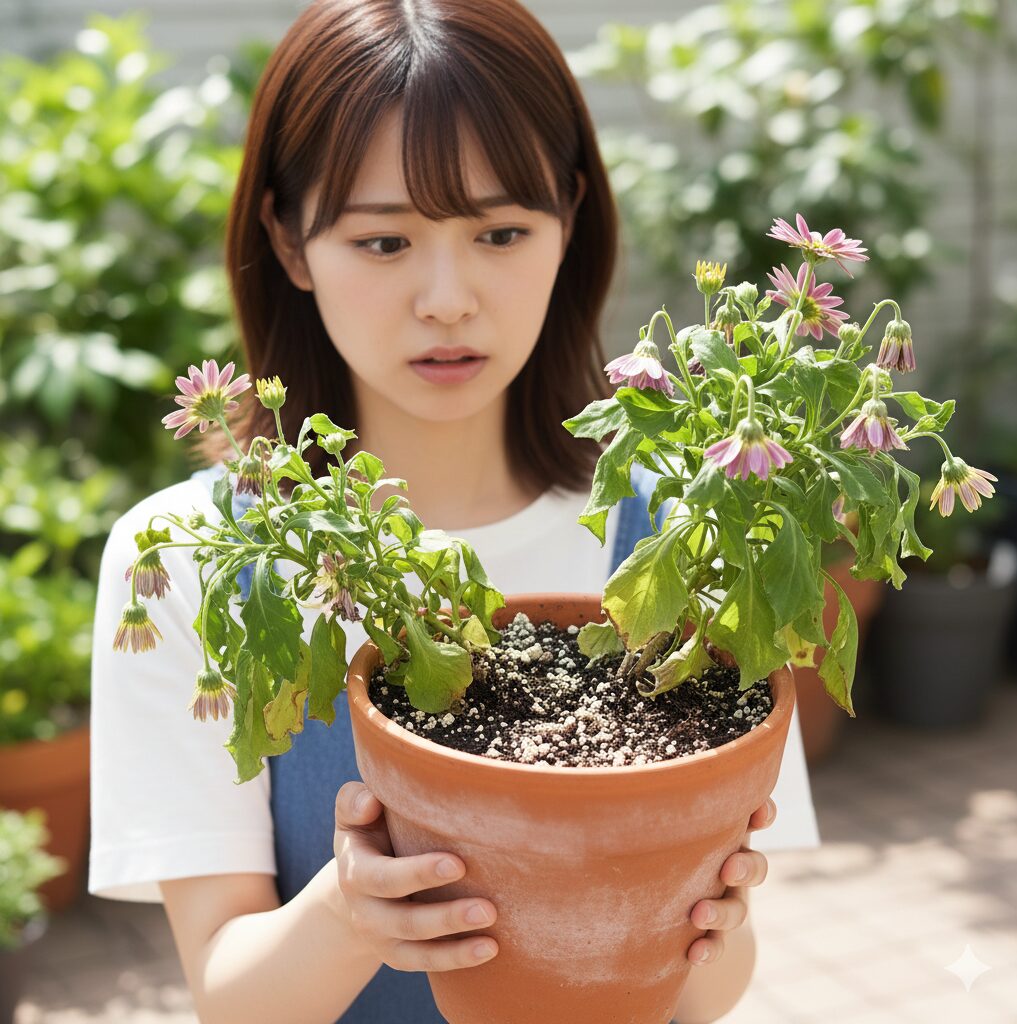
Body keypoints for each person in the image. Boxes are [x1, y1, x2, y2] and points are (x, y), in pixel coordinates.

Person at [89, 1, 821, 1022]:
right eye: (383, 242)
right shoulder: (197, 557)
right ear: (290, 244)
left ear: (570, 222)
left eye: (500, 231)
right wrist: (353, 912)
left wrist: (707, 921)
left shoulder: (687, 529)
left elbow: (707, 998)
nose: (446, 296)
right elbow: (228, 991)